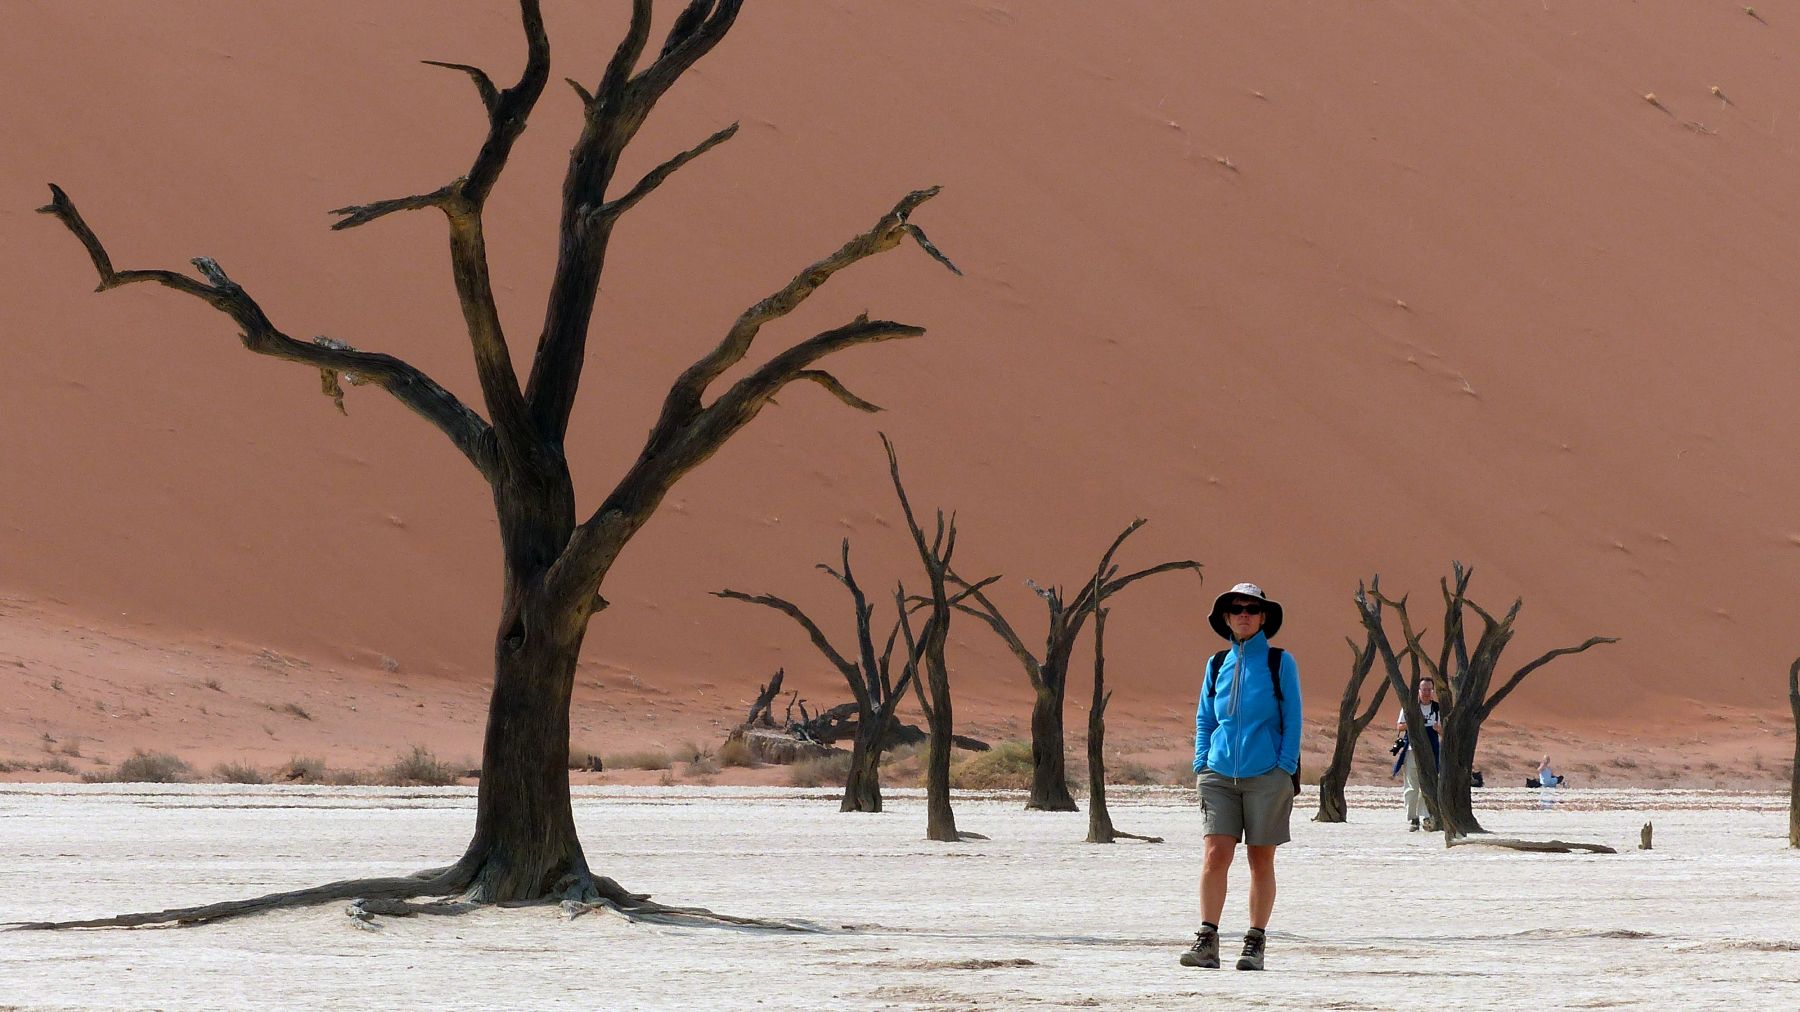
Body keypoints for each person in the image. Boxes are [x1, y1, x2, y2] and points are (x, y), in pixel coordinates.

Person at [1182, 582, 1302, 972]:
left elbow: (1294, 719)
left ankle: (1254, 943)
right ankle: (1206, 940)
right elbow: (1205, 717)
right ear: (1226, 617)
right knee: (1215, 854)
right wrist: (1202, 761)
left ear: (1264, 617)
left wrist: (1283, 767)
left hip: (1267, 774)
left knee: (1259, 859)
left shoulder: (1279, 662)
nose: (1244, 614)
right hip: (1217, 774)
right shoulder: (1216, 663)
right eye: (1237, 608)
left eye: (1252, 608)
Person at [1390, 679, 1442, 831]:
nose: (1426, 693)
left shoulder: (1438, 709)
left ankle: (1426, 816)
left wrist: (1439, 729)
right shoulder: (1410, 707)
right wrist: (1414, 722)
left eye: (1429, 690)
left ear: (1433, 691)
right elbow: (1399, 726)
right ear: (1418, 690)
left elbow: (1445, 731)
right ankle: (1413, 818)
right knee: (1412, 787)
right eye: (1424, 689)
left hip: (1432, 752)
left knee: (1428, 785)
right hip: (1412, 751)